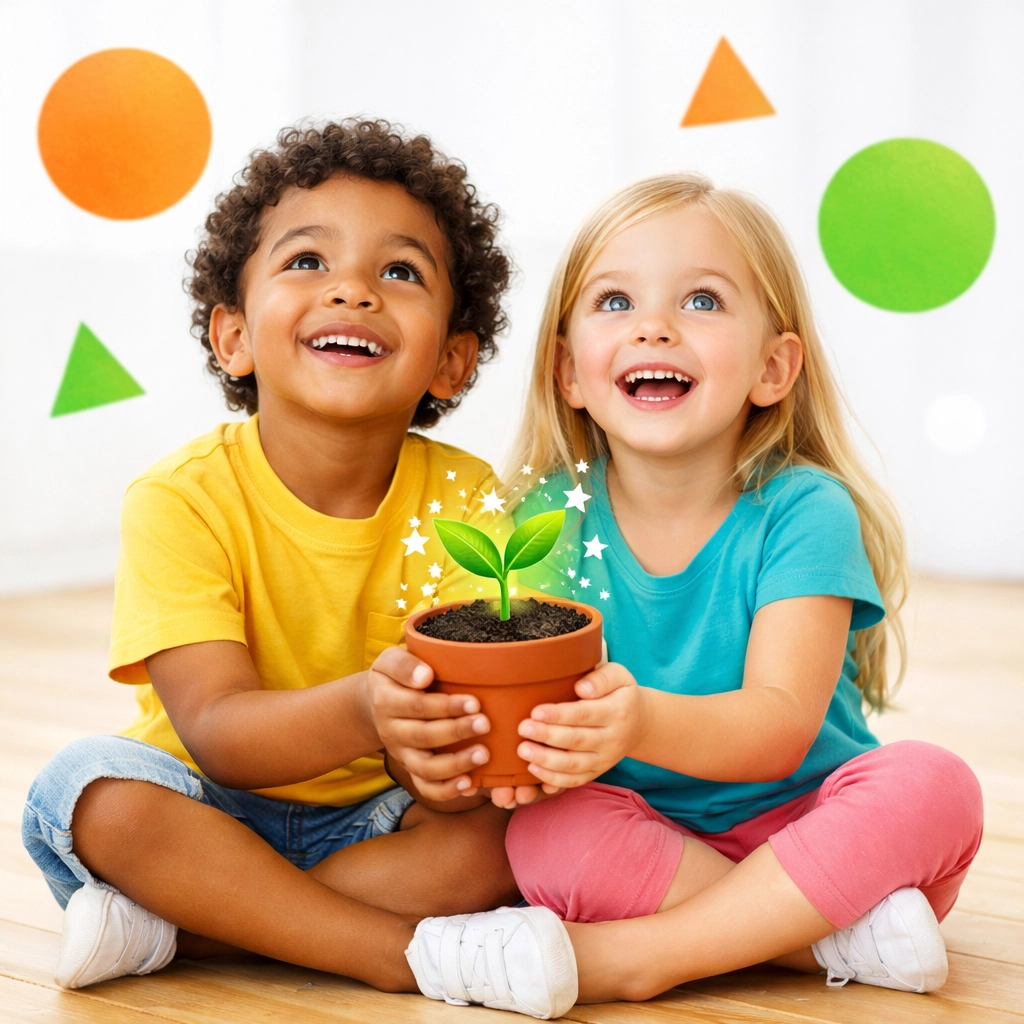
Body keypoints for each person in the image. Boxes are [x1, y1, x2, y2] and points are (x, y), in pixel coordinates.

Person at [386, 173, 984, 1018]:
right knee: (543, 834)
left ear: (773, 367)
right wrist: (512, 757)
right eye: (615, 301)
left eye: (702, 300)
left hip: (811, 824)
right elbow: (529, 709)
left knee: (934, 784)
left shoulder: (803, 510)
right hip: (647, 841)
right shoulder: (545, 522)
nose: (654, 326)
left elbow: (779, 727)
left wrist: (638, 721)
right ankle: (819, 939)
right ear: (568, 372)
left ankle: (635, 962)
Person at [22, 119, 524, 993]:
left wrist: (435, 757)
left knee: (501, 841)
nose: (354, 292)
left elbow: (457, 769)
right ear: (234, 338)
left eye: (399, 272)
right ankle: (393, 957)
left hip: (374, 823)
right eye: (306, 263)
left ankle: (199, 925)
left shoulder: (469, 503)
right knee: (88, 789)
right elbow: (216, 732)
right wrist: (371, 707)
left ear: (451, 360)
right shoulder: (179, 497)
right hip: (200, 807)